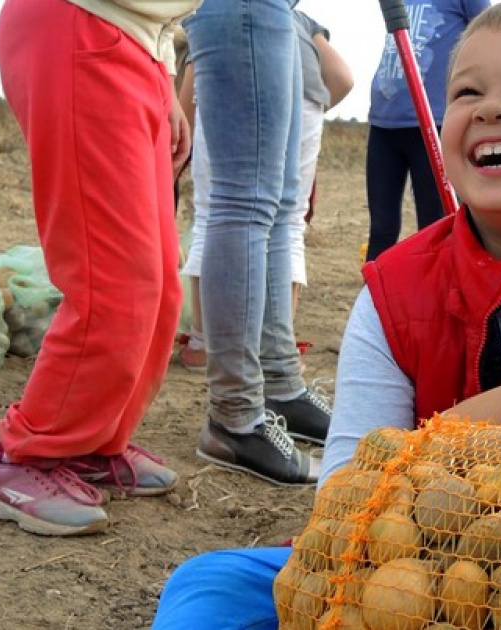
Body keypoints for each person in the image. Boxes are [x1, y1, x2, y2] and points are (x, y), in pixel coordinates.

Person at [151, 2, 501, 627]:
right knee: (207, 585)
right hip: (413, 567)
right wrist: (463, 431)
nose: (492, 106)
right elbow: (341, 502)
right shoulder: (396, 290)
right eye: (467, 90)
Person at [0, 0, 197, 536]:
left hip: (138, 39)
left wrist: (162, 73)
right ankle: (26, 457)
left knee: (161, 286)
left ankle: (92, 442)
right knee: (114, 282)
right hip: (80, 23)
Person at [185, 0, 332, 487]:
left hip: (276, 13)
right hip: (243, 6)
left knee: (282, 202)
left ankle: (279, 384)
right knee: (243, 201)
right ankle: (236, 416)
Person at [175, 7, 354, 372]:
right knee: (287, 222)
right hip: (301, 98)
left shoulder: (215, 11)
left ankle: (203, 344)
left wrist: (180, 150)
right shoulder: (298, 20)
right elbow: (342, 78)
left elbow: (193, 83)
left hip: (224, 93)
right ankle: (276, 348)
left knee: (212, 213)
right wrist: (310, 109)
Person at [363, 0, 490, 262]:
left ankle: (440, 299)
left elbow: (489, 38)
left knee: (435, 227)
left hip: (433, 122)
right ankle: (373, 300)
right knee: (381, 229)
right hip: (384, 121)